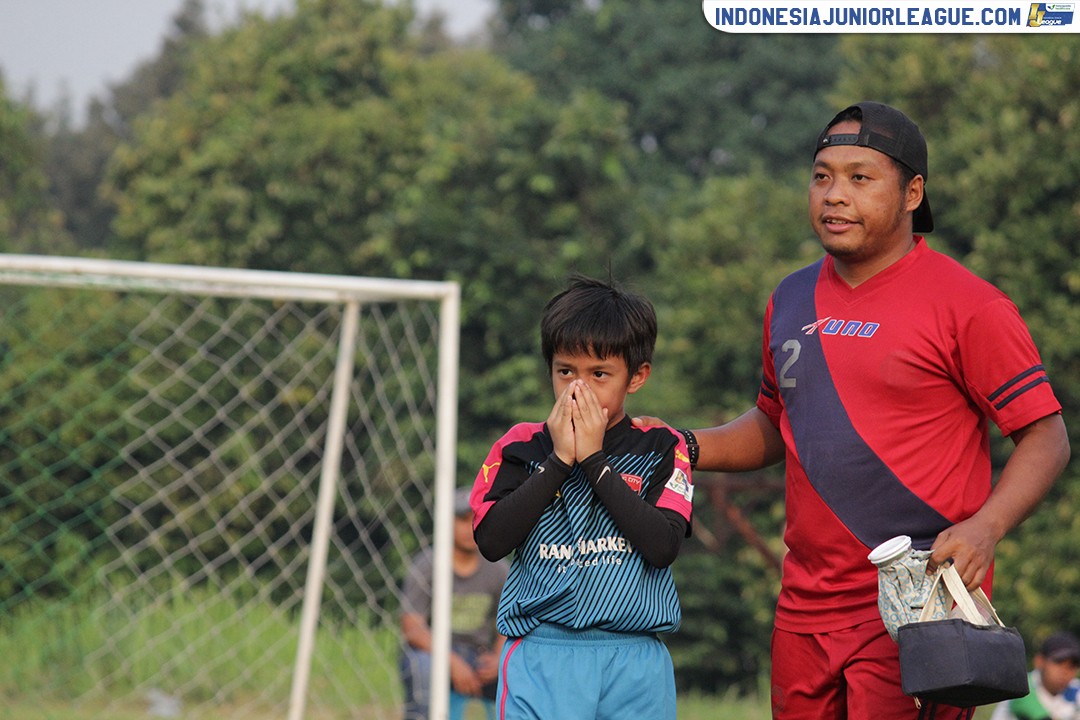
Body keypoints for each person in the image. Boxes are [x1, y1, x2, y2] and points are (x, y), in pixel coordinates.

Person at [638, 101, 1070, 718]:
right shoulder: (788, 297)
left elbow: (1046, 436)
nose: (834, 195)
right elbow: (772, 424)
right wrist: (685, 444)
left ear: (913, 191)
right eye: (822, 176)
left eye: (860, 178)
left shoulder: (969, 304)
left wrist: (987, 527)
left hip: (916, 605)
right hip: (804, 609)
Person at [469, 275, 694, 720]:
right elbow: (492, 541)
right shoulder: (519, 447)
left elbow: (663, 545)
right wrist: (559, 462)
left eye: (599, 374)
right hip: (543, 653)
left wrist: (593, 461)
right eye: (565, 371)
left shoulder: (663, 447)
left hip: (633, 660)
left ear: (636, 377)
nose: (578, 388)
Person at [400, 486, 509, 720]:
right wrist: (451, 661)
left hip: (478, 655)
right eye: (461, 519)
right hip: (433, 653)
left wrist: (498, 657)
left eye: (476, 519)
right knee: (422, 666)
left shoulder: (498, 569)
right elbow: (412, 627)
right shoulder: (427, 565)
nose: (468, 528)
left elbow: (509, 620)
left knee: (516, 667)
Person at [991, 631, 1080, 720]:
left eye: (1072, 666)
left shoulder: (1075, 689)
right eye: (1059, 662)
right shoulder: (1021, 687)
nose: (1065, 671)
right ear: (1039, 661)